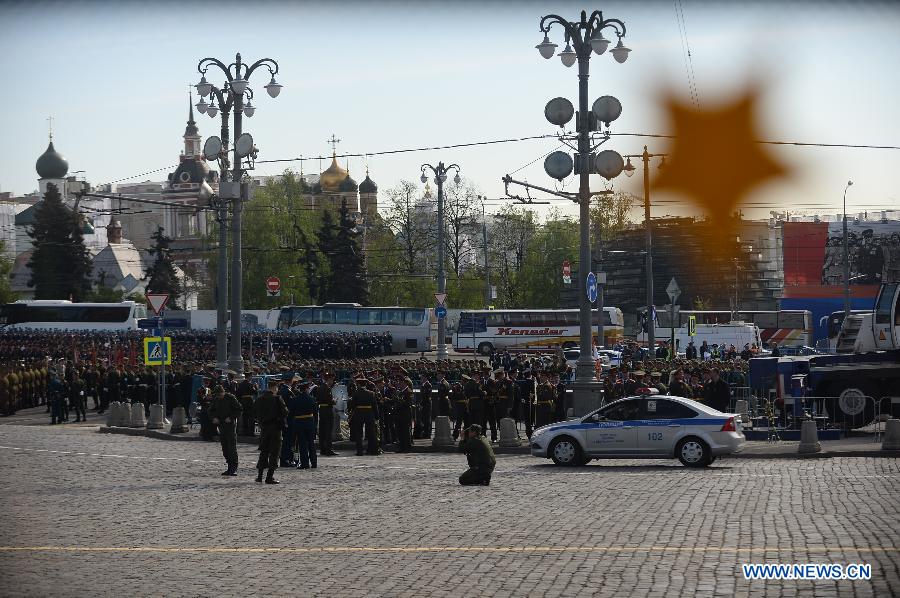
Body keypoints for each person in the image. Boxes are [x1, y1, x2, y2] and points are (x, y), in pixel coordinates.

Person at [254, 379, 288, 484]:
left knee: (264, 451)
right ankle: (269, 477)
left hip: (264, 428)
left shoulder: (260, 399)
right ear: (274, 388)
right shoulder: (277, 399)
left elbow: (254, 413)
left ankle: (259, 476)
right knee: (274, 452)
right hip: (275, 429)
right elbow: (285, 412)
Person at [207, 385, 243, 476]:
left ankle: (234, 468)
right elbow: (210, 411)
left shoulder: (231, 398)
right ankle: (229, 466)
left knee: (232, 447)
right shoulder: (216, 400)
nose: (219, 396)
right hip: (221, 425)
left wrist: (231, 417)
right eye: (218, 395)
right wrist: (214, 418)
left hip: (230, 425)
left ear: (223, 392)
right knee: (225, 447)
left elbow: (239, 409)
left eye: (220, 394)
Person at [291, 381, 319, 469]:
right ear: (307, 389)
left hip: (299, 423)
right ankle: (314, 463)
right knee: (311, 444)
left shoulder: (295, 399)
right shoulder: (312, 399)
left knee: (302, 445)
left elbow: (291, 412)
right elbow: (315, 412)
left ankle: (305, 464)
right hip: (310, 423)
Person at [314, 372, 338, 456]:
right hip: (327, 410)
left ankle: (322, 449)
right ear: (329, 379)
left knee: (322, 430)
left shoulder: (319, 388)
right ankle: (328, 449)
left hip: (322, 410)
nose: (332, 381)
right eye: (332, 380)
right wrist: (334, 401)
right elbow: (329, 401)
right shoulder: (327, 388)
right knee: (328, 431)